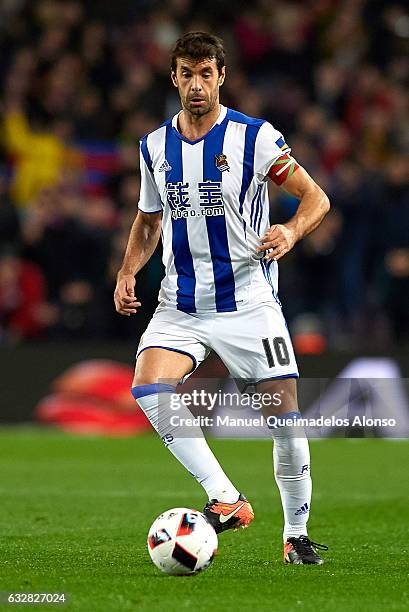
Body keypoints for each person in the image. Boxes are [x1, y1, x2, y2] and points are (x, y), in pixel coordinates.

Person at [114, 32, 330, 565]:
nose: (196, 85)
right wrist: (127, 272)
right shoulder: (154, 146)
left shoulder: (254, 138)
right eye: (186, 74)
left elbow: (315, 197)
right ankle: (226, 499)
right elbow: (148, 221)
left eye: (205, 74)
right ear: (174, 78)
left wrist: (291, 232)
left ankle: (296, 536)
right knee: (148, 385)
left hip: (249, 303)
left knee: (286, 423)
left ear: (221, 76)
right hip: (180, 304)